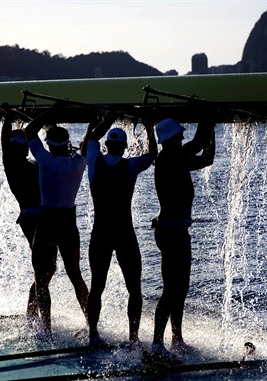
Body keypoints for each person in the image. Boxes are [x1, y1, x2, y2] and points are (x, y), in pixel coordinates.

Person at [81, 114, 157, 347]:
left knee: (97, 287)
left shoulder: (94, 161)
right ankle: (133, 339)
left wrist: (108, 116)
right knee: (134, 288)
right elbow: (152, 154)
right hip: (124, 233)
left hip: (100, 233)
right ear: (124, 148)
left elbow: (91, 139)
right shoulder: (131, 165)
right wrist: (148, 126)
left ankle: (93, 335)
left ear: (107, 146)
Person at [146, 117, 215, 364]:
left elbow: (202, 150)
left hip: (176, 230)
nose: (182, 138)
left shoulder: (174, 156)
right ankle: (156, 344)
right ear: (171, 139)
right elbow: (205, 151)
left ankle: (176, 338)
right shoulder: (171, 157)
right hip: (171, 232)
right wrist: (210, 119)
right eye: (179, 135)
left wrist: (209, 124)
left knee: (181, 288)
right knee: (171, 289)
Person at [24, 104, 89, 341]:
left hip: (48, 223)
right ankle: (92, 328)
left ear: (49, 144)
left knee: (41, 278)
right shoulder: (79, 163)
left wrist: (51, 112)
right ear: (67, 144)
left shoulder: (45, 160)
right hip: (68, 225)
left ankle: (46, 330)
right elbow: (86, 144)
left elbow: (29, 132)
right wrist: (94, 125)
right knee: (76, 276)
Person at [0, 105, 47, 321]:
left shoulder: (30, 163)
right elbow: (4, 142)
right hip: (30, 218)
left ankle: (31, 311)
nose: (27, 149)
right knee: (43, 269)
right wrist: (8, 117)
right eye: (25, 146)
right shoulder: (12, 164)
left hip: (41, 218)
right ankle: (31, 314)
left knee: (47, 269)